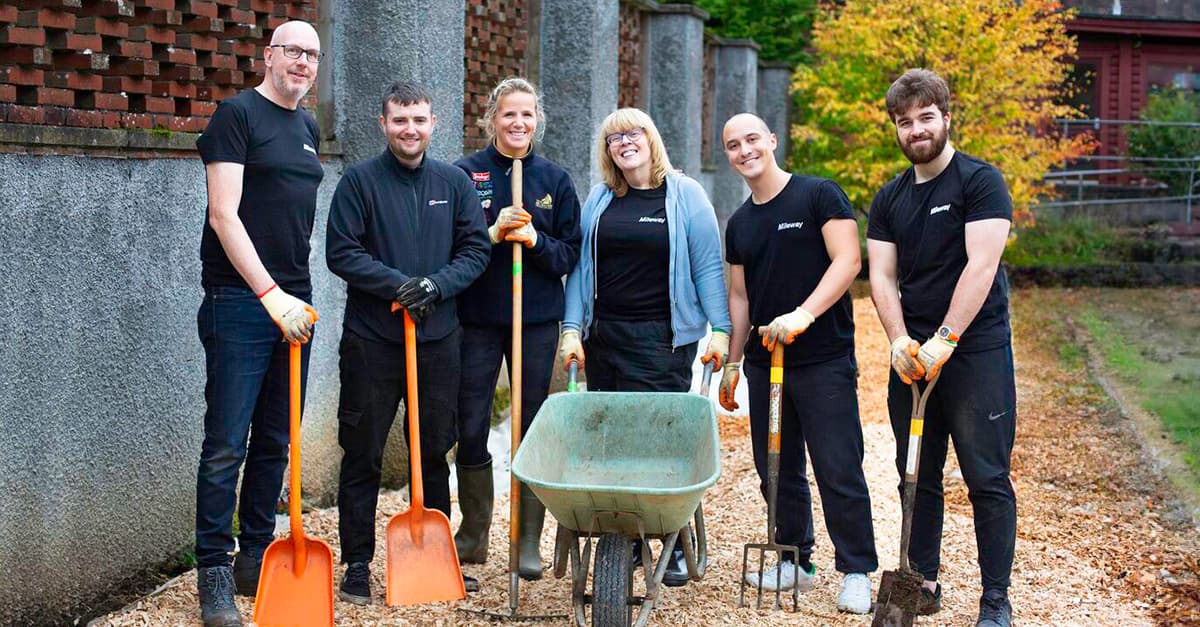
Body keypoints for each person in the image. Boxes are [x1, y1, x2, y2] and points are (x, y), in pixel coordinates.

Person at [325, 81, 490, 604]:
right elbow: (341, 252)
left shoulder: (455, 182)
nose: (410, 129)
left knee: (434, 450)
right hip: (372, 341)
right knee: (362, 453)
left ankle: (436, 557)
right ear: (384, 124)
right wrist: (398, 284)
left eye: (419, 120)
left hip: (438, 338)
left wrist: (435, 286)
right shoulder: (359, 182)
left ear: (433, 123)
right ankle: (357, 564)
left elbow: (474, 250)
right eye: (400, 120)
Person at [866, 68, 1016, 627]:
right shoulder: (889, 198)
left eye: (926, 117)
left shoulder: (980, 181)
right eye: (905, 122)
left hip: (974, 352)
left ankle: (995, 600)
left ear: (946, 117)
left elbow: (982, 265)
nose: (916, 130)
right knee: (916, 474)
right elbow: (880, 276)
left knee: (986, 478)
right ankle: (922, 584)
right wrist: (902, 340)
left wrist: (946, 338)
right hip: (914, 359)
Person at [560, 107, 731, 587]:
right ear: (608, 150)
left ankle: (676, 542)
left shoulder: (685, 195)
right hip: (605, 338)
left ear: (651, 139)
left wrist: (720, 329)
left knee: (659, 444)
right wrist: (571, 329)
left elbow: (708, 269)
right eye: (615, 138)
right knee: (611, 445)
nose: (625, 142)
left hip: (662, 339)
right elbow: (579, 271)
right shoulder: (599, 199)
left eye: (634, 133)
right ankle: (628, 541)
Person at [718, 113, 878, 614]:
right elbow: (740, 296)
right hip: (768, 365)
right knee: (777, 468)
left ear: (771, 140)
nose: (744, 151)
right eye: (732, 145)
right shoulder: (740, 222)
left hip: (823, 358)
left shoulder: (817, 195)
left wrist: (804, 314)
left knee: (838, 466)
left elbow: (848, 261)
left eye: (751, 139)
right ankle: (796, 561)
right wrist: (734, 361)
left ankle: (855, 569)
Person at [192, 20, 323, 627]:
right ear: (269, 55)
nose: (302, 61)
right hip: (242, 301)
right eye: (292, 50)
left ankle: (254, 558)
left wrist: (290, 297)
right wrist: (269, 294)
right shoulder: (236, 116)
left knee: (276, 440)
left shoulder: (308, 127)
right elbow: (224, 214)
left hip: (295, 302)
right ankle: (214, 577)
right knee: (226, 445)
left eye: (313, 54)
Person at [453, 77, 581, 579]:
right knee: (470, 422)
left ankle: (527, 541)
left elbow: (570, 253)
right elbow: (454, 247)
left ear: (537, 121)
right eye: (509, 114)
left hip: (536, 321)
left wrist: (533, 240)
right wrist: (492, 231)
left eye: (527, 115)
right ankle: (474, 533)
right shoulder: (466, 174)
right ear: (491, 119)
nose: (519, 123)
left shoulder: (555, 179)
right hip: (478, 319)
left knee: (531, 427)